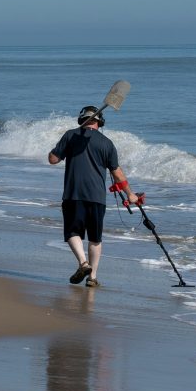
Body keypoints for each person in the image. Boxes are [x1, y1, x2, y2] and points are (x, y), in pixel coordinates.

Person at [47, 105, 138, 288]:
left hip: (73, 194)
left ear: (82, 120)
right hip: (97, 198)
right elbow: (117, 173)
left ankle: (83, 263)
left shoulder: (70, 135)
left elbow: (53, 159)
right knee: (95, 238)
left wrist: (59, 149)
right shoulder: (107, 143)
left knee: (73, 232)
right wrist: (130, 194)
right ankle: (92, 278)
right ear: (100, 122)